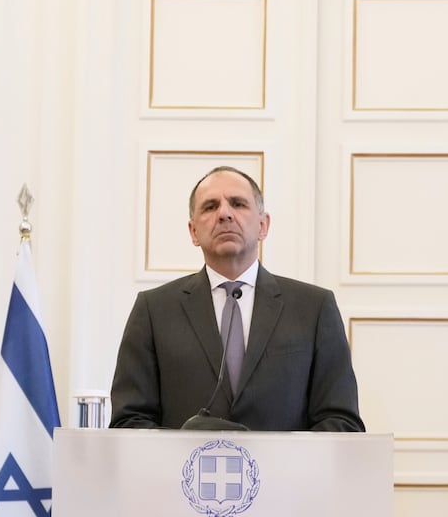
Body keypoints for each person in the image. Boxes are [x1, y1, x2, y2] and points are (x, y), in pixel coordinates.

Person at [110, 165, 364, 432]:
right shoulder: (154, 310)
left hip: (284, 474)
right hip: (182, 473)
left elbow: (341, 422)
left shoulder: (314, 308)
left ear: (263, 225)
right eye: (210, 207)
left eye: (238, 204)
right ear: (193, 231)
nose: (224, 214)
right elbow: (129, 422)